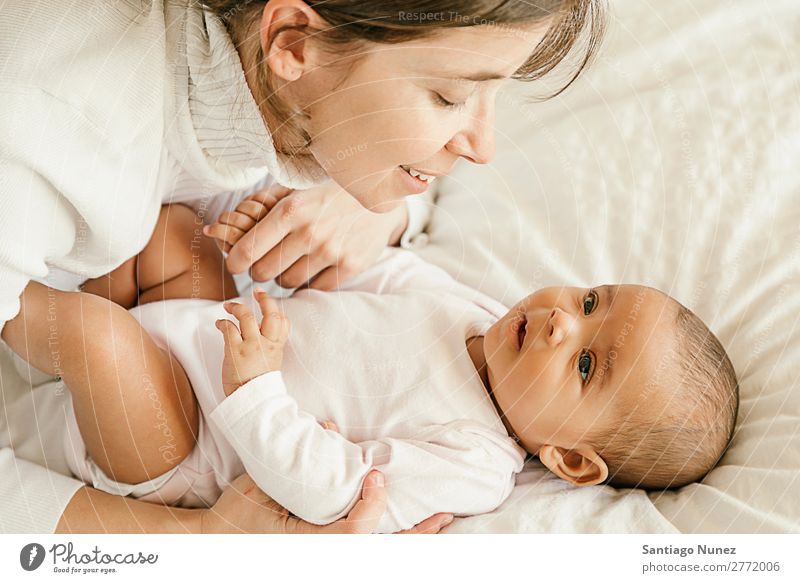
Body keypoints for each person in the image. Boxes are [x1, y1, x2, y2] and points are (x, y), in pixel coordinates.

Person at [0, 0, 605, 532]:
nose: (483, 146)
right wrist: (203, 545)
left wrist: (371, 211)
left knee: (174, 240)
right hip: (176, 401)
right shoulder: (43, 140)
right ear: (294, 43)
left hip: (198, 380)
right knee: (101, 337)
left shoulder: (303, 101)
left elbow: (396, 266)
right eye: (449, 96)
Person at [2, 203, 739, 533]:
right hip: (210, 329)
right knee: (172, 232)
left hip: (185, 440)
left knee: (96, 339)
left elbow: (333, 491)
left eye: (584, 362)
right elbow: (360, 277)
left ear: (571, 460)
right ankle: (25, 303)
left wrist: (256, 387)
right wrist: (264, 239)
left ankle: (15, 301)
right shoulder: (472, 310)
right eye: (588, 299)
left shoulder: (475, 461)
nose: (559, 318)